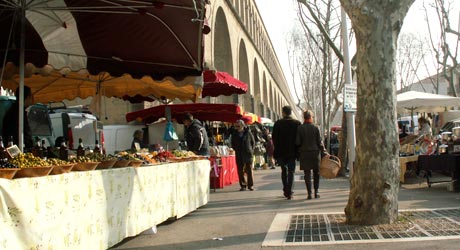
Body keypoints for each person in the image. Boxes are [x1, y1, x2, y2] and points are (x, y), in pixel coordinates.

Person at [296, 110, 328, 200]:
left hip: (304, 153)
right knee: (316, 173)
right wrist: (324, 151)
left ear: (304, 117)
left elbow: (297, 142)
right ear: (311, 117)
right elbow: (319, 142)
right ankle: (316, 192)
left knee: (307, 174)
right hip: (315, 153)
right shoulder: (315, 128)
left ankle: (309, 193)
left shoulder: (300, 128)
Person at [272, 106, 301, 200]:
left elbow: (274, 139)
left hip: (281, 152)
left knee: (284, 171)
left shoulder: (278, 124)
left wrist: (276, 150)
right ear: (291, 112)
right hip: (292, 152)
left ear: (283, 113)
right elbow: (299, 139)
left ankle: (285, 189)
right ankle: (290, 192)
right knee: (291, 171)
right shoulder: (297, 123)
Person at [2, 86, 34, 151]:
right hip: (15, 149)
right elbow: (23, 132)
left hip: (13, 147)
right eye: (31, 97)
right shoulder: (18, 112)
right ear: (28, 97)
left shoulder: (14, 110)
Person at [231, 119, 255, 191]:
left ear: (242, 125)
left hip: (247, 153)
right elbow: (233, 144)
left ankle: (250, 185)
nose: (237, 127)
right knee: (240, 170)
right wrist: (236, 149)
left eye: (238, 125)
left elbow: (253, 142)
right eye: (236, 126)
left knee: (249, 170)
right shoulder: (234, 134)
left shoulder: (248, 132)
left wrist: (251, 150)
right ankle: (243, 185)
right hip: (239, 153)